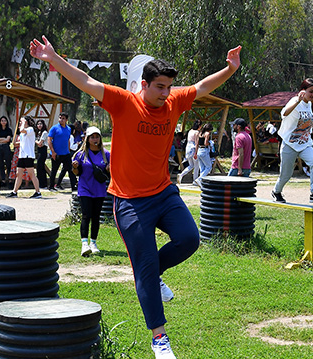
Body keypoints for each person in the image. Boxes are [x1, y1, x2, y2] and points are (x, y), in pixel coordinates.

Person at [30, 34, 241, 358]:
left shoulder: (172, 102)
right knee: (142, 265)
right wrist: (54, 59)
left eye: (169, 87)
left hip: (163, 193)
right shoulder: (124, 102)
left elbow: (200, 88)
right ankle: (160, 338)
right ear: (143, 84)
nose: (166, 93)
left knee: (189, 239)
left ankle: (153, 273)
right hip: (129, 201)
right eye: (159, 87)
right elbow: (86, 80)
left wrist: (229, 69)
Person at [271, 78, 313, 204]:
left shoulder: (309, 104)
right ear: (303, 90)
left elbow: (301, 121)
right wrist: (298, 101)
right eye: (311, 91)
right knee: (286, 175)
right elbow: (284, 113)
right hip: (289, 143)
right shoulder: (295, 100)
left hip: (304, 143)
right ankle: (276, 191)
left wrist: (312, 125)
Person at [72, 126, 110, 257]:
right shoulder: (80, 154)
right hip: (85, 189)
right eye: (92, 137)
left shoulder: (106, 154)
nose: (95, 139)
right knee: (86, 215)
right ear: (87, 139)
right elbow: (77, 173)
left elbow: (110, 173)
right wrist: (75, 168)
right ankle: (84, 244)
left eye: (97, 137)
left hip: (99, 189)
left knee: (96, 216)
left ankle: (93, 243)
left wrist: (109, 169)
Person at [6, 116, 42, 198]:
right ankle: (14, 192)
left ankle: (38, 192)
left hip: (28, 155)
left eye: (22, 122)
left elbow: (22, 130)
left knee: (31, 174)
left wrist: (23, 121)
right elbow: (21, 142)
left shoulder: (30, 129)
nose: (20, 124)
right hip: (22, 155)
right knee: (19, 174)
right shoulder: (22, 133)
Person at [47, 112, 76, 191]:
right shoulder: (54, 128)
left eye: (63, 118)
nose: (61, 120)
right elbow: (49, 139)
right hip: (56, 153)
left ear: (66, 120)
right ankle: (51, 186)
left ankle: (74, 186)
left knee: (70, 170)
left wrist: (69, 150)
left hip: (66, 153)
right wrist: (52, 151)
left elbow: (68, 140)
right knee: (54, 170)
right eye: (60, 118)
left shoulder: (68, 129)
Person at [176, 120, 201, 184]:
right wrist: (196, 152)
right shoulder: (197, 132)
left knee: (191, 165)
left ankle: (181, 174)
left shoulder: (190, 131)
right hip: (193, 148)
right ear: (199, 126)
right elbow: (197, 143)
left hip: (188, 148)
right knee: (196, 166)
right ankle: (195, 180)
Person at [0, 116, 14, 187]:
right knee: (0, 164)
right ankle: (2, 179)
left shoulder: (9, 130)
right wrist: (3, 139)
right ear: (0, 122)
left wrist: (1, 139)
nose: (3, 122)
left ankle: (10, 179)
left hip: (6, 147)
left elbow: (8, 140)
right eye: (2, 120)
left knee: (8, 163)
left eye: (5, 120)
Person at [35, 119, 49, 189]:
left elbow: (40, 143)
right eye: (38, 124)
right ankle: (41, 183)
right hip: (39, 150)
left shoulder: (44, 133)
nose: (39, 125)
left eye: (40, 124)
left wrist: (35, 140)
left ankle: (43, 184)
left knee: (40, 167)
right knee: (40, 167)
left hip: (43, 150)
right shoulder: (38, 133)